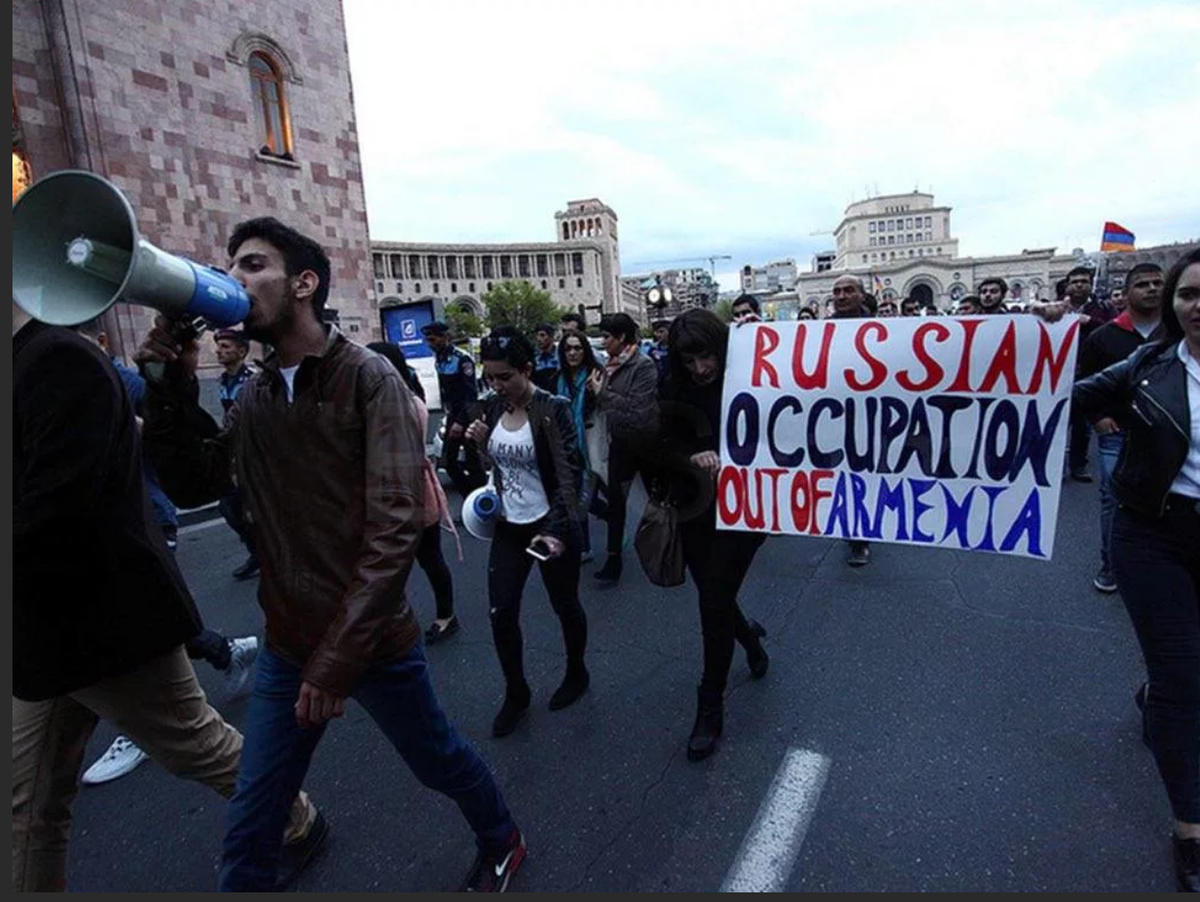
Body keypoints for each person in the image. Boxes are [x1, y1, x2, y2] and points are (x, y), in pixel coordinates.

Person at [137, 217, 524, 892]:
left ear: (304, 284)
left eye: (253, 265)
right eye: (229, 267)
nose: (234, 280)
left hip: (369, 641)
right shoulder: (255, 394)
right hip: (290, 644)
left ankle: (502, 837)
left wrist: (337, 660)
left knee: (435, 759)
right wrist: (168, 388)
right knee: (252, 821)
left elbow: (396, 528)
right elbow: (198, 482)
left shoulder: (367, 378)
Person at [13, 303, 319, 892]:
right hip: (42, 628)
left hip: (102, 622)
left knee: (195, 743)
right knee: (25, 799)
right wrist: (167, 383)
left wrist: (168, 385)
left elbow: (67, 511)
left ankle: (296, 815)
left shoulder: (57, 359)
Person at [71, 319, 260, 787]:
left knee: (142, 621)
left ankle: (145, 720)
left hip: (136, 522)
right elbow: (196, 472)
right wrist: (170, 383)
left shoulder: (119, 381)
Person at [1071, 248, 1200, 892]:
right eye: (1188, 294)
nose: (1197, 304)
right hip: (1154, 534)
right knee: (1184, 682)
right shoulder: (1147, 363)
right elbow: (1056, 400)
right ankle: (1189, 828)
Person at [656, 309, 770, 762]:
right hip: (696, 510)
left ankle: (710, 704)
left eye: (706, 357)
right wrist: (691, 457)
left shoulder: (756, 381)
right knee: (715, 596)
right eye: (689, 361)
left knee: (713, 601)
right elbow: (657, 445)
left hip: (746, 510)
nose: (700, 369)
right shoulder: (672, 388)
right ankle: (749, 640)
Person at [465, 327, 589, 738]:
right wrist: (480, 445)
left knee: (564, 604)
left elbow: (570, 476)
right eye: (491, 378)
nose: (497, 385)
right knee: (501, 614)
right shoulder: (492, 409)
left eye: (505, 377)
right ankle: (516, 693)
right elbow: (498, 467)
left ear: (527, 369)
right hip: (509, 526)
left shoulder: (553, 408)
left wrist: (556, 531)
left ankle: (577, 672)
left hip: (549, 525)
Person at [1076, 263, 1166, 594]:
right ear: (1126, 293)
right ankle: (1111, 566)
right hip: (1117, 434)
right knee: (1115, 501)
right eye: (1143, 284)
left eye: (1158, 283)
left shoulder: (1177, 333)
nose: (1152, 289)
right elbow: (1084, 383)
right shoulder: (1104, 336)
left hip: (1169, 435)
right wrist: (1098, 417)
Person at [368, 341, 461, 644]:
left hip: (411, 492)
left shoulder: (406, 404)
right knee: (393, 564)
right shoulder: (379, 401)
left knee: (428, 558)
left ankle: (446, 616)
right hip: (388, 494)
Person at [591, 312, 660, 583]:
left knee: (657, 500)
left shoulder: (643, 365)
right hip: (619, 442)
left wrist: (603, 394)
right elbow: (609, 408)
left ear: (621, 338)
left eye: (607, 336)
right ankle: (613, 559)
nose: (603, 341)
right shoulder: (609, 365)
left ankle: (669, 547)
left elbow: (637, 411)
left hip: (644, 442)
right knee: (616, 503)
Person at [829, 276, 874, 567]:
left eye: (849, 290)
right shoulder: (819, 330)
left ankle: (860, 537)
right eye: (837, 291)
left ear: (862, 295)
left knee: (862, 475)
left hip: (870, 415)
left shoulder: (884, 330)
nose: (842, 296)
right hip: (833, 414)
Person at [212, 328, 261, 580]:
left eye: (226, 347)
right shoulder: (222, 381)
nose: (219, 351)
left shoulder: (254, 379)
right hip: (233, 453)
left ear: (241, 351)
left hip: (253, 453)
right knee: (229, 506)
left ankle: (267, 552)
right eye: (219, 346)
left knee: (255, 507)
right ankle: (257, 550)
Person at [557, 331, 608, 562]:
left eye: (577, 348)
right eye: (568, 348)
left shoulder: (595, 375)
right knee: (579, 499)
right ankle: (586, 545)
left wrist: (598, 393)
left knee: (585, 498)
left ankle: (614, 523)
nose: (573, 353)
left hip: (590, 446)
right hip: (566, 447)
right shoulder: (559, 379)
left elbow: (609, 407)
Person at [423, 320, 487, 498]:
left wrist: (460, 422)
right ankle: (470, 497)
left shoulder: (462, 359)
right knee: (449, 462)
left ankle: (481, 499)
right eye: (428, 340)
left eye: (433, 340)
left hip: (467, 414)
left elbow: (470, 395)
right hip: (452, 414)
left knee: (472, 461)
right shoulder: (439, 360)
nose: (430, 344)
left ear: (445, 337)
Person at [1064, 265, 1116, 482]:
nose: (1079, 285)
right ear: (1067, 285)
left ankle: (1077, 465)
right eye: (1075, 281)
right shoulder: (1058, 307)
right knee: (1055, 423)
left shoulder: (1102, 308)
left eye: (1083, 281)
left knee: (1081, 424)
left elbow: (1113, 331)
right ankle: (1051, 468)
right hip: (1058, 374)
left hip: (1087, 373)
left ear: (1090, 284)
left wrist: (1089, 321)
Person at [532, 323, 560, 392]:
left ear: (551, 337)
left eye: (542, 335)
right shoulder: (535, 358)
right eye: (537, 336)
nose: (538, 339)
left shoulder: (561, 355)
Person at [648, 319, 671, 387]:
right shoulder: (653, 348)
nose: (658, 335)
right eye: (657, 332)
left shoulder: (675, 347)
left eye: (661, 332)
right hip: (657, 383)